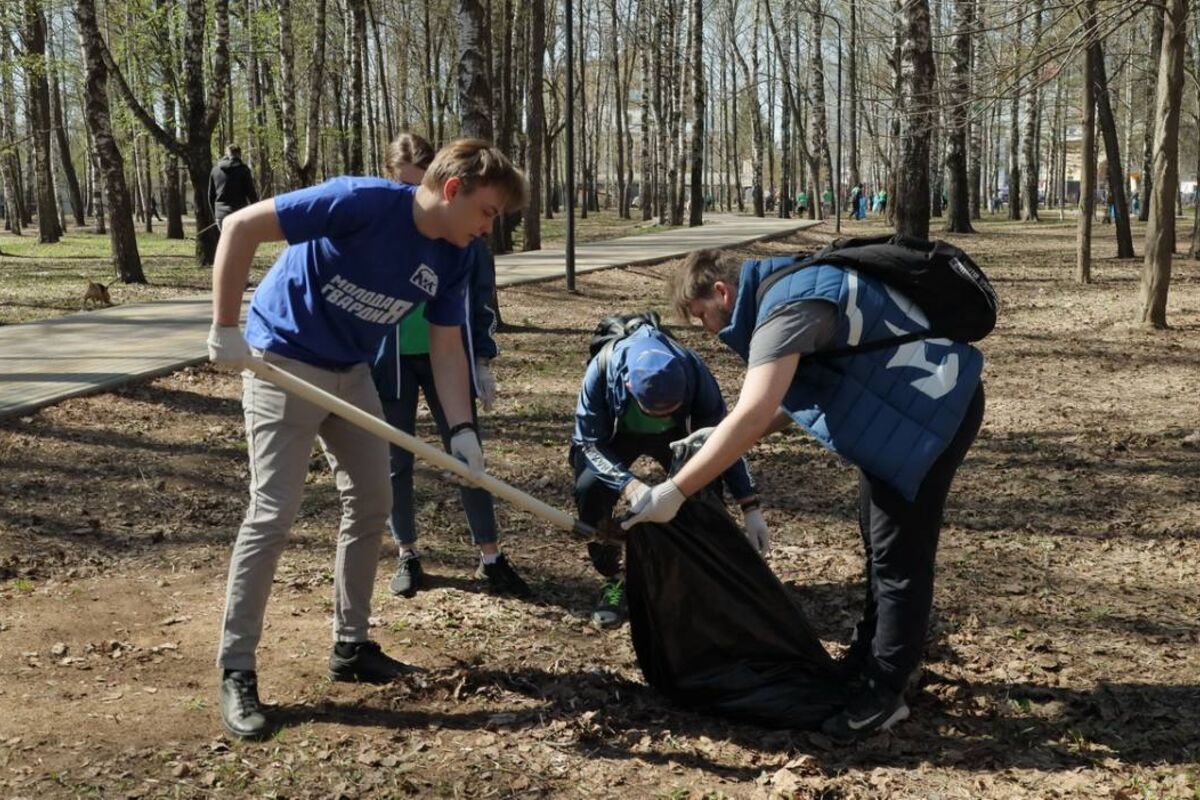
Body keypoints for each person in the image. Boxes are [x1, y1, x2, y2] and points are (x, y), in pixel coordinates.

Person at [205, 139, 527, 740]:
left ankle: (351, 647)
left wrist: (461, 431)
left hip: (352, 373)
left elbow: (447, 344)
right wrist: (225, 328)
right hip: (282, 360)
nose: (488, 229)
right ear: (453, 190)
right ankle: (237, 667)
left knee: (373, 503)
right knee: (273, 514)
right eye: (487, 213)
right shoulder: (357, 201)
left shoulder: (453, 255)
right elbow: (242, 227)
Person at [626, 248, 985, 741]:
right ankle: (871, 659)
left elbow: (755, 412)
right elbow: (790, 399)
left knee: (900, 557)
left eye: (701, 316)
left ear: (721, 292)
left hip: (931, 413)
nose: (707, 330)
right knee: (880, 546)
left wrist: (675, 490)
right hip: (905, 407)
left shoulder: (783, 311)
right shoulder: (791, 285)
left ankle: (885, 693)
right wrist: (719, 433)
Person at [372, 132, 530, 600]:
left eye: (419, 184)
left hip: (449, 359)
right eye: (403, 185)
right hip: (391, 364)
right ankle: (407, 554)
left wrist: (481, 356)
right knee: (394, 462)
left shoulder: (466, 235)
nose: (412, 196)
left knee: (467, 455)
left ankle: (490, 556)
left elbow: (481, 300)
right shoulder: (382, 231)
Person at [571, 321, 767, 627]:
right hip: (616, 436)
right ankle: (614, 577)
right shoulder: (603, 369)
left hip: (678, 437)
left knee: (704, 491)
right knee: (590, 489)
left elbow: (725, 438)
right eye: (654, 411)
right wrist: (629, 485)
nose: (661, 415)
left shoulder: (694, 371)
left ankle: (698, 576)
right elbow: (588, 443)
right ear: (629, 387)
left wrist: (749, 503)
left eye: (670, 407)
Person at [208, 144, 259, 231]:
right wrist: (257, 210)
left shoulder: (215, 170)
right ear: (239, 154)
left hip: (220, 214)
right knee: (240, 242)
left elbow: (210, 196)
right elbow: (251, 194)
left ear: (227, 154)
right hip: (238, 213)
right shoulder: (243, 170)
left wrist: (215, 214)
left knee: (227, 241)